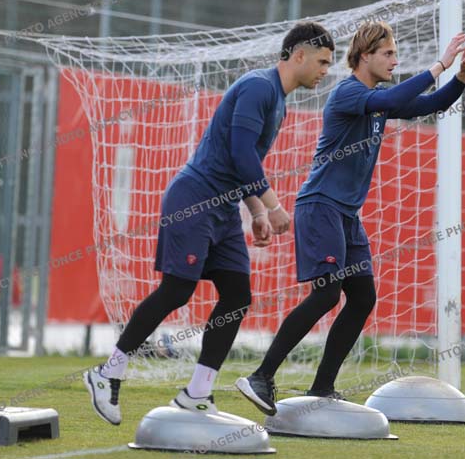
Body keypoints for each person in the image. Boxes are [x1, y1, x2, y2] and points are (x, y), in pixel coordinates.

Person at [84, 22, 335, 425]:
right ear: (299, 55)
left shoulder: (279, 101)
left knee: (237, 295)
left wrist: (255, 211)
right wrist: (271, 206)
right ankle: (108, 372)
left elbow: (244, 163)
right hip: (194, 199)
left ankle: (197, 392)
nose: (325, 71)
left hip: (224, 209)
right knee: (177, 290)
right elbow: (240, 153)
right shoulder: (259, 87)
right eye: (322, 61)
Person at [236, 22, 465, 415]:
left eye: (395, 53)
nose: (395, 60)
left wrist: (461, 77)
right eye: (388, 54)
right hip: (321, 206)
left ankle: (322, 387)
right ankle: (260, 376)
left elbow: (431, 105)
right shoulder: (348, 93)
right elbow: (399, 96)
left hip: (346, 215)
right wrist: (440, 64)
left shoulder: (377, 100)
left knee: (362, 297)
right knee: (326, 294)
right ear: (365, 56)